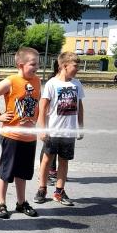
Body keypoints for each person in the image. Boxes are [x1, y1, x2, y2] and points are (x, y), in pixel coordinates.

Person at [0, 47, 41, 219]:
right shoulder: (11, 81)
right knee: (6, 171)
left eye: (38, 64)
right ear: (20, 65)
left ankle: (21, 203)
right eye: (33, 64)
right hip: (12, 136)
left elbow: (37, 103)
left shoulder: (37, 81)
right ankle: (0, 203)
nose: (37, 67)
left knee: (22, 172)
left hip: (29, 137)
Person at [34, 51, 85, 206]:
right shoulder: (52, 84)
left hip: (69, 132)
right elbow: (43, 107)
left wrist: (80, 127)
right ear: (64, 66)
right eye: (75, 66)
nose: (77, 69)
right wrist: (43, 129)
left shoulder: (77, 84)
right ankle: (42, 188)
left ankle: (59, 191)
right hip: (53, 131)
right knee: (47, 160)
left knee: (64, 161)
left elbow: (80, 107)